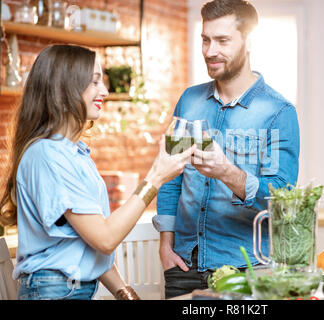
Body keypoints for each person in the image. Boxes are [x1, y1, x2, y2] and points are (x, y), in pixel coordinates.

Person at [0, 44, 196, 300]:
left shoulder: (74, 153)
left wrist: (125, 293)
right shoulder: (47, 155)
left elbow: (87, 242)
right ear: (63, 90)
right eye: (94, 82)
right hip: (55, 291)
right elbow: (104, 238)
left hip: (70, 289)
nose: (104, 90)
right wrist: (155, 178)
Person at [153, 0, 300, 299]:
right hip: (184, 266)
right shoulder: (190, 101)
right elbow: (171, 179)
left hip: (246, 270)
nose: (209, 51)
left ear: (249, 42)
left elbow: (283, 199)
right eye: (205, 40)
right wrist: (165, 246)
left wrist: (228, 173)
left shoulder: (277, 112)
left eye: (222, 40)